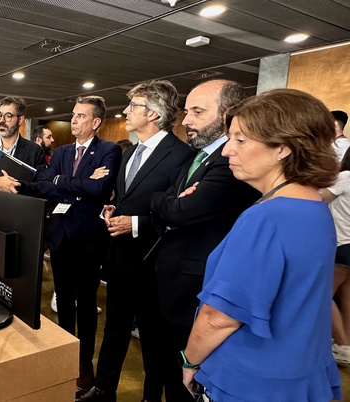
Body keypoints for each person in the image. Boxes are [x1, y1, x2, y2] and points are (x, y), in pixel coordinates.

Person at [182, 89, 342, 402]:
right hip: (300, 368)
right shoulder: (313, 204)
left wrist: (190, 360)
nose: (228, 151)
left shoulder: (267, 217)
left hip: (252, 376)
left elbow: (220, 317)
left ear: (282, 147)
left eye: (241, 140)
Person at [79, 80, 195, 402]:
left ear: (154, 114)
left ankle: (150, 395)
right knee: (114, 329)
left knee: (154, 339)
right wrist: (115, 208)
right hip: (120, 259)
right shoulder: (129, 152)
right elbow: (128, 196)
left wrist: (137, 224)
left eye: (133, 106)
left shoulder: (182, 156)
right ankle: (103, 389)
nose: (125, 111)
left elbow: (180, 213)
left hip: (154, 264)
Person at [147, 80, 259, 401]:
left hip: (197, 294)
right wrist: (167, 203)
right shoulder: (192, 160)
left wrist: (168, 204)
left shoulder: (230, 164)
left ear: (227, 115)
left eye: (197, 112)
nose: (185, 121)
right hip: (172, 284)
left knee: (190, 384)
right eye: (186, 111)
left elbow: (180, 212)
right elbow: (166, 205)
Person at [37, 96, 121, 395]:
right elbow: (43, 184)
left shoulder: (108, 150)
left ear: (96, 122)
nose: (73, 120)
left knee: (86, 303)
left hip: (87, 238)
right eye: (73, 115)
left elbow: (101, 188)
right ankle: (66, 351)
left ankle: (84, 361)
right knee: (63, 298)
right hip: (59, 236)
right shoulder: (60, 152)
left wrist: (64, 182)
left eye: (80, 116)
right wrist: (77, 181)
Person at [321, 149, 350, 365]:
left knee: (324, 294)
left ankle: (341, 344)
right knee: (346, 297)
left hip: (341, 244)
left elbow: (319, 200)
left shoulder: (346, 177)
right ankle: (346, 344)